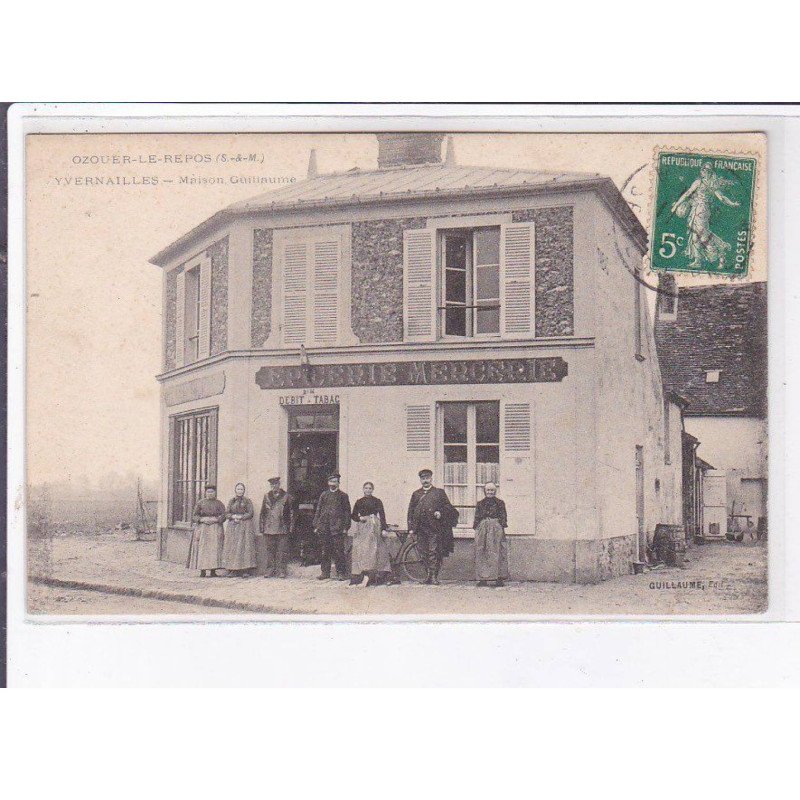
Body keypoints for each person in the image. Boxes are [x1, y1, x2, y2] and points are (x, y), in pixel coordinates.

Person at [670, 161, 740, 269]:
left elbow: (721, 198)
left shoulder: (712, 185)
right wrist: (676, 206)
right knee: (695, 237)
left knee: (703, 237)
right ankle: (698, 260)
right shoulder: (698, 182)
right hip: (695, 210)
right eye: (702, 169)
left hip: (703, 211)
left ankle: (722, 249)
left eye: (706, 170)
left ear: (710, 172)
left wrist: (732, 203)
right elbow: (687, 193)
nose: (703, 171)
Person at [407, 469, 459, 585]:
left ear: (431, 479)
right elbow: (410, 511)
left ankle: (434, 576)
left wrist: (440, 512)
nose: (425, 481)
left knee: (433, 552)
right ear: (420, 480)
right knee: (423, 552)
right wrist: (411, 528)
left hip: (434, 528)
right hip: (420, 528)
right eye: (423, 478)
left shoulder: (439, 493)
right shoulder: (416, 494)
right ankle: (428, 576)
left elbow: (448, 508)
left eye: (427, 478)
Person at [348, 482, 397, 587]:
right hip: (362, 527)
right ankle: (361, 576)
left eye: (370, 488)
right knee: (362, 549)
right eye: (366, 488)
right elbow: (353, 515)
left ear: (372, 489)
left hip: (374, 526)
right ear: (363, 489)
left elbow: (382, 515)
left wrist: (383, 529)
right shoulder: (359, 501)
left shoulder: (377, 501)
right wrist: (359, 518)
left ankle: (377, 576)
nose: (368, 490)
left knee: (375, 549)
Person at [312, 473, 351, 580]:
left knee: (339, 551)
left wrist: (345, 527)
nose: (333, 483)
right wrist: (316, 525)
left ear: (338, 483)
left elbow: (347, 512)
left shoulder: (343, 496)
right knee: (325, 551)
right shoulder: (324, 495)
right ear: (328, 483)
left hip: (337, 528)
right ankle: (325, 572)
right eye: (331, 481)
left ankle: (341, 573)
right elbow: (318, 510)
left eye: (335, 481)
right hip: (324, 527)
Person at [473, 482, 509, 588]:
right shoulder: (480, 503)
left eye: (492, 490)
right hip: (483, 528)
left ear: (495, 491)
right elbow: (477, 517)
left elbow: (503, 516)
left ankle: (499, 578)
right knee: (482, 552)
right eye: (488, 490)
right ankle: (482, 579)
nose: (490, 492)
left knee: (497, 552)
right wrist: (478, 528)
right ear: (485, 491)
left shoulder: (500, 503)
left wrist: (499, 526)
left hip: (496, 529)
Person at [259, 476, 295, 578]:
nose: (274, 486)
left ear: (279, 485)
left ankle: (281, 571)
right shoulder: (266, 496)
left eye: (276, 484)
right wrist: (262, 527)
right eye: (272, 485)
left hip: (282, 526)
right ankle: (270, 570)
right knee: (270, 550)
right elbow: (263, 512)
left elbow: (292, 512)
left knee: (282, 550)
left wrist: (290, 527)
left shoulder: (286, 496)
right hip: (269, 527)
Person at [187, 484, 226, 578]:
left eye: (212, 492)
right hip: (203, 528)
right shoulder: (200, 503)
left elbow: (224, 515)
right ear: (205, 493)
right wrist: (201, 520)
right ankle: (202, 571)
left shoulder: (219, 503)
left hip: (215, 527)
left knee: (214, 548)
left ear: (215, 493)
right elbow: (194, 515)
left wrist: (217, 520)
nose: (210, 494)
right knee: (203, 549)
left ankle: (213, 570)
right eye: (208, 492)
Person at [221, 482, 257, 576]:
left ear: (244, 491)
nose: (240, 491)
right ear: (235, 490)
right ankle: (233, 569)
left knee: (244, 547)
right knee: (233, 547)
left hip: (245, 525)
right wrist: (233, 516)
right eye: (238, 489)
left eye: (241, 489)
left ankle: (245, 570)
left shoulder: (247, 501)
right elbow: (227, 513)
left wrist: (241, 517)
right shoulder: (231, 501)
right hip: (233, 526)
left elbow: (250, 513)